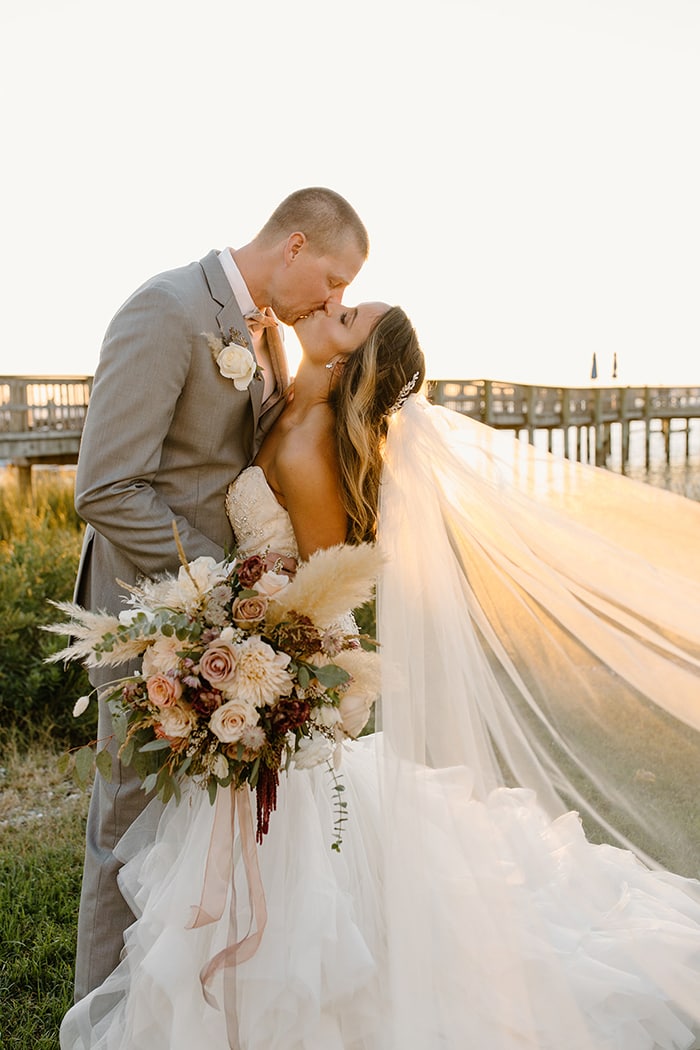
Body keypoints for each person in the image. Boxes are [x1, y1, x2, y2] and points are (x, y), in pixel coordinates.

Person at [61, 302, 700, 1049]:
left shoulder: (309, 445)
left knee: (304, 902)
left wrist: (273, 681)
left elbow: (323, 604)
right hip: (244, 655)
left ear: (348, 360)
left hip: (275, 685)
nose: (333, 305)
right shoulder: (280, 390)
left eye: (348, 314)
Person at [71, 188, 370, 1001]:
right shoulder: (165, 309)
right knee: (126, 831)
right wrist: (224, 581)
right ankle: (99, 1018)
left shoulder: (267, 334)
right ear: (296, 245)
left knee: (183, 836)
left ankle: (167, 1011)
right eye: (334, 279)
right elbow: (105, 487)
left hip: (219, 627)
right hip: (144, 615)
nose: (333, 300)